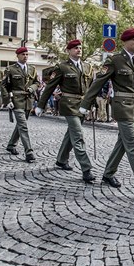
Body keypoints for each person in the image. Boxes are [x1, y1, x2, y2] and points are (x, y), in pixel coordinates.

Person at [79, 27, 134, 204]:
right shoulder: (114, 60)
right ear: (124, 41)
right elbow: (97, 83)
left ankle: (108, 173)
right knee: (133, 147)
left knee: (122, 144)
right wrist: (85, 104)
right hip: (122, 108)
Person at [35, 39, 96, 183]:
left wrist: (92, 104)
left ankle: (61, 159)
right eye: (75, 48)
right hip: (68, 105)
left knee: (71, 134)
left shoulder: (87, 67)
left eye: (80, 47)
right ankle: (86, 169)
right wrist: (41, 105)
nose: (78, 50)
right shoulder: (62, 67)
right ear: (68, 51)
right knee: (78, 134)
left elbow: (91, 89)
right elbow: (50, 87)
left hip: (82, 105)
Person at [3, 47, 40, 162]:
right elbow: (3, 86)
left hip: (29, 100)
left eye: (27, 54)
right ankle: (29, 151)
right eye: (23, 54)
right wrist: (7, 100)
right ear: (18, 56)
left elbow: (37, 82)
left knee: (20, 125)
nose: (25, 56)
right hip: (17, 100)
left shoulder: (32, 69)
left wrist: (32, 88)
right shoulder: (11, 69)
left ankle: (11, 145)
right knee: (23, 126)